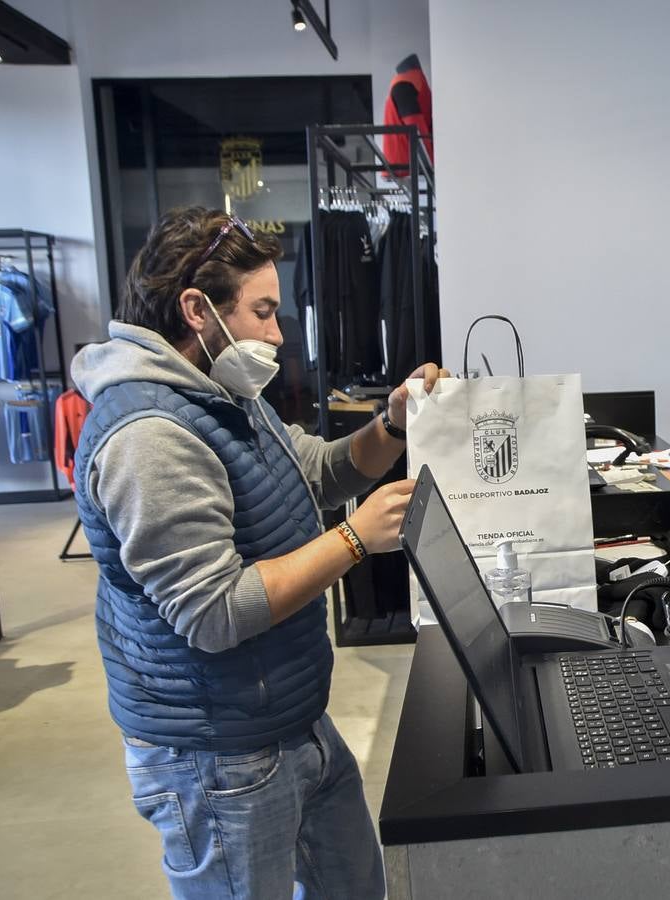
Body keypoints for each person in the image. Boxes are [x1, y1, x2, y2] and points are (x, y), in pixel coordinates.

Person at [71, 207, 445, 898]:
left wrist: (392, 421)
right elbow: (214, 612)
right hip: (217, 751)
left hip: (285, 715)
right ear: (197, 310)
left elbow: (322, 470)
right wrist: (356, 538)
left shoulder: (225, 396)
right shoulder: (150, 437)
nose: (277, 333)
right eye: (263, 311)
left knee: (354, 885)